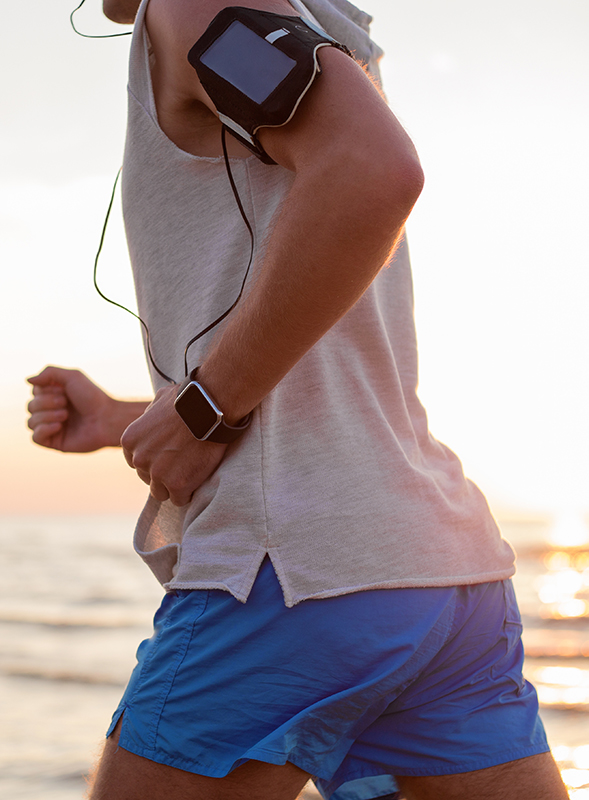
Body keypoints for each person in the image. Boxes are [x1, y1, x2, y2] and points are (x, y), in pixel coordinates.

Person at [27, 0, 569, 798]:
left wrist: (207, 408)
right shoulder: (312, 24)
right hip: (437, 573)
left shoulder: (195, 3)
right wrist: (126, 419)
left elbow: (373, 171)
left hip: (296, 575)